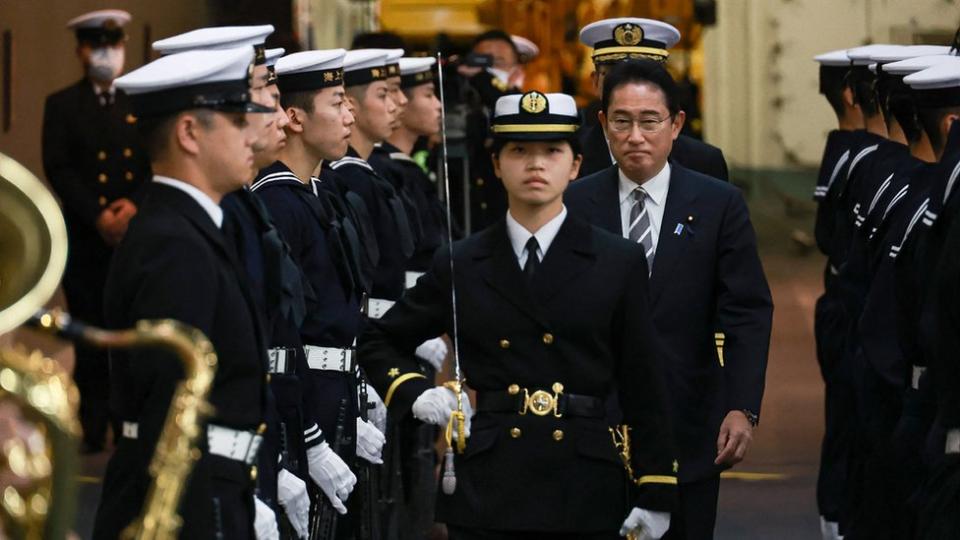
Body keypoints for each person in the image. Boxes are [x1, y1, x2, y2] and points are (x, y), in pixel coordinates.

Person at [359, 90, 678, 539]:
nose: (535, 164)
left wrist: (656, 488)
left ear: (575, 165)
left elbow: (644, 380)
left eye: (552, 151)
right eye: (519, 151)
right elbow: (378, 339)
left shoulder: (616, 260)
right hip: (490, 480)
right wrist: (414, 392)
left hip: (584, 477)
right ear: (496, 165)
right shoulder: (463, 262)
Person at [565, 60, 772, 540]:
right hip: (596, 431)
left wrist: (742, 406)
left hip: (691, 424)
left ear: (676, 124)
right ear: (602, 124)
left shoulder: (718, 204)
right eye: (622, 121)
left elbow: (746, 311)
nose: (635, 135)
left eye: (649, 120)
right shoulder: (574, 205)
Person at [95, 45, 275, 539]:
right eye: (237, 120)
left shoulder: (191, 229)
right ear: (189, 133)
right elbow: (169, 414)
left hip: (217, 489)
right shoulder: (172, 243)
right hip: (187, 504)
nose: (251, 136)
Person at [251, 48, 378, 537]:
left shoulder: (316, 194)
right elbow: (285, 333)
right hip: (306, 400)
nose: (350, 115)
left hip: (337, 391)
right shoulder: (276, 203)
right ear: (296, 117)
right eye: (338, 102)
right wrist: (303, 436)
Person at [41, 8, 150, 454]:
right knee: (87, 334)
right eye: (100, 46)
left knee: (130, 329)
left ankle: (129, 421)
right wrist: (99, 216)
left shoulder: (137, 101)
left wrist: (134, 206)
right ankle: (92, 421)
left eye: (116, 45)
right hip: (86, 237)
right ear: (82, 52)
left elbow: (152, 161)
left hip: (133, 234)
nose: (110, 54)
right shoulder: (64, 104)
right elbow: (60, 167)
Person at [365, 56, 449, 539]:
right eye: (428, 95)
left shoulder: (405, 170)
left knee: (413, 458)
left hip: (415, 324)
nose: (434, 107)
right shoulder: (380, 173)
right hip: (395, 331)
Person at [809, 48, 864, 540]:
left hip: (847, 308)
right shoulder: (854, 152)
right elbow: (833, 236)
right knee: (851, 423)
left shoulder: (845, 148)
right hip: (850, 313)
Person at [576, 18, 729, 181]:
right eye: (616, 76)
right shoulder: (569, 156)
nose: (630, 88)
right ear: (595, 81)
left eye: (644, 77)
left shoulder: (702, 161)